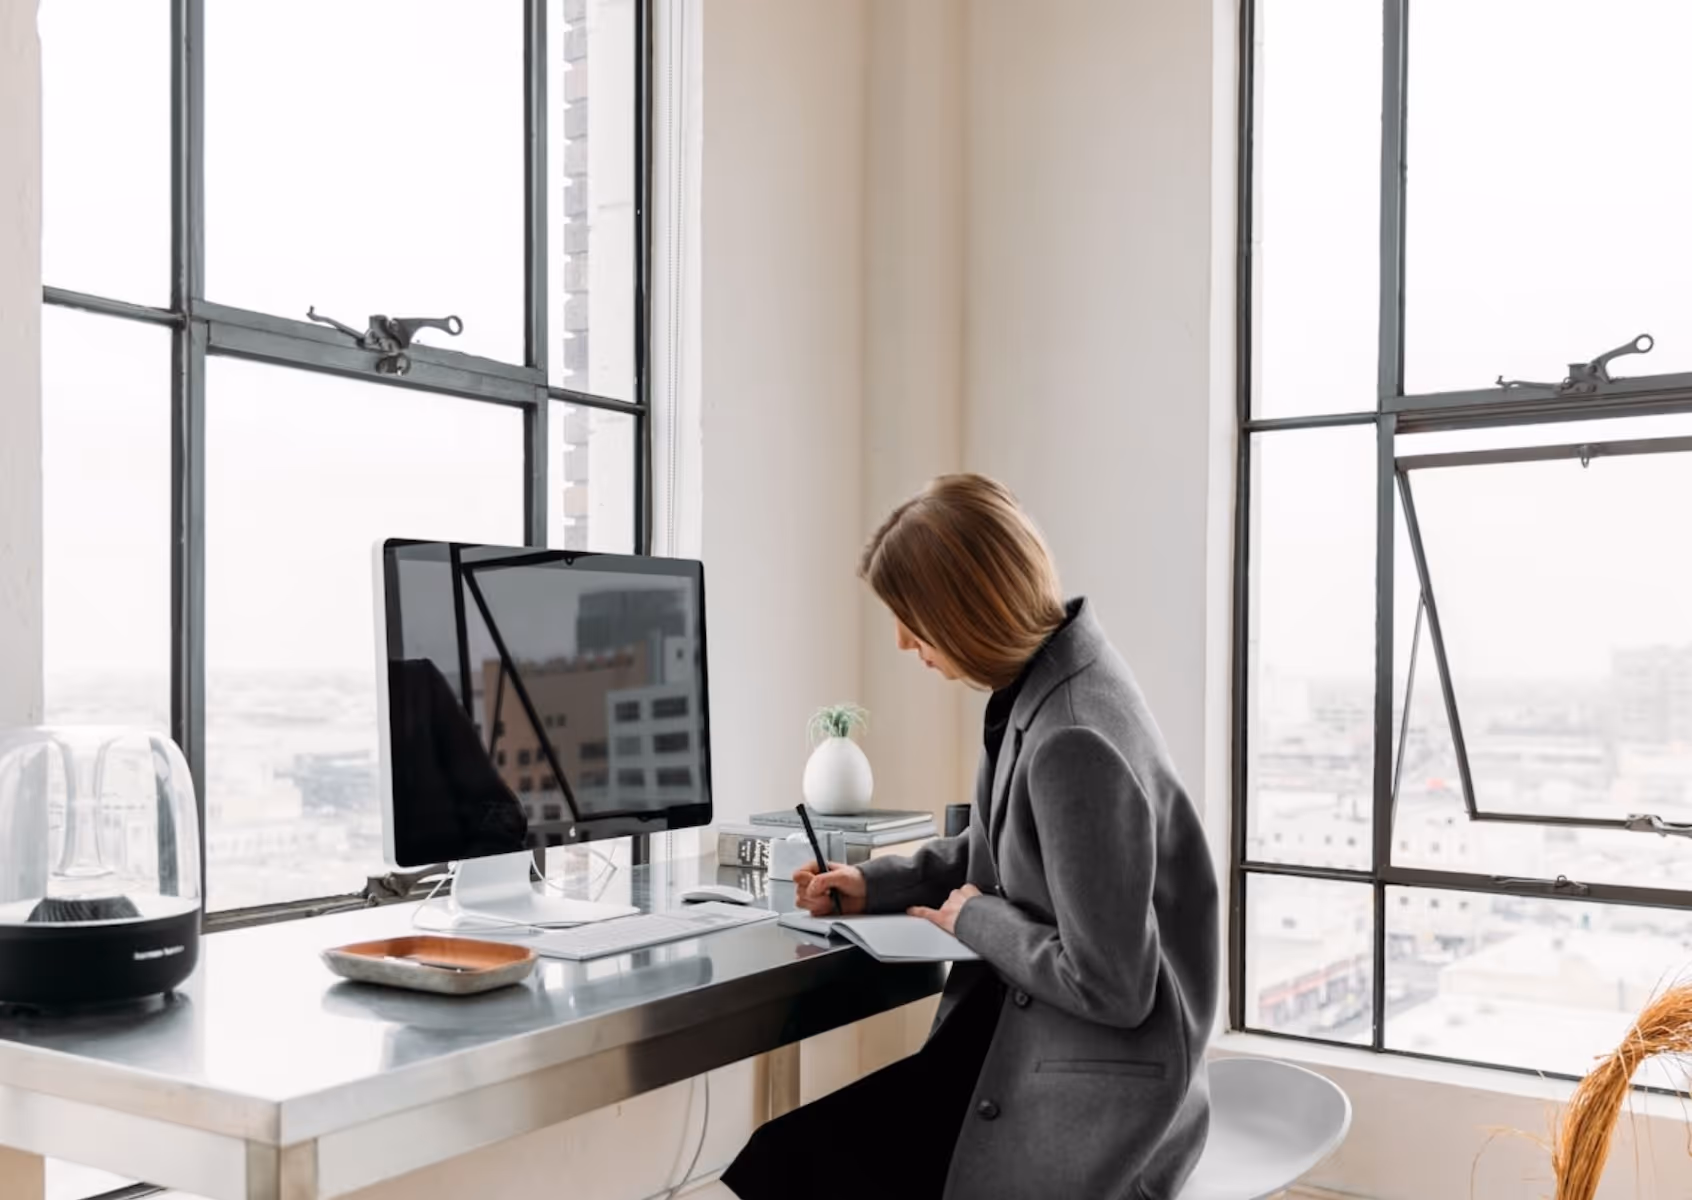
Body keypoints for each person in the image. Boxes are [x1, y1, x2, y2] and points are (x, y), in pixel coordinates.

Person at [722, 474, 1218, 1200]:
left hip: (1098, 1084)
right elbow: (1020, 850)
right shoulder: (1055, 675)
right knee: (785, 1159)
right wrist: (877, 881)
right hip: (1038, 1039)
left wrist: (975, 918)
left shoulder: (1072, 737)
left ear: (965, 610)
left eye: (912, 619)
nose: (901, 641)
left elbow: (1114, 988)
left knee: (785, 1166)